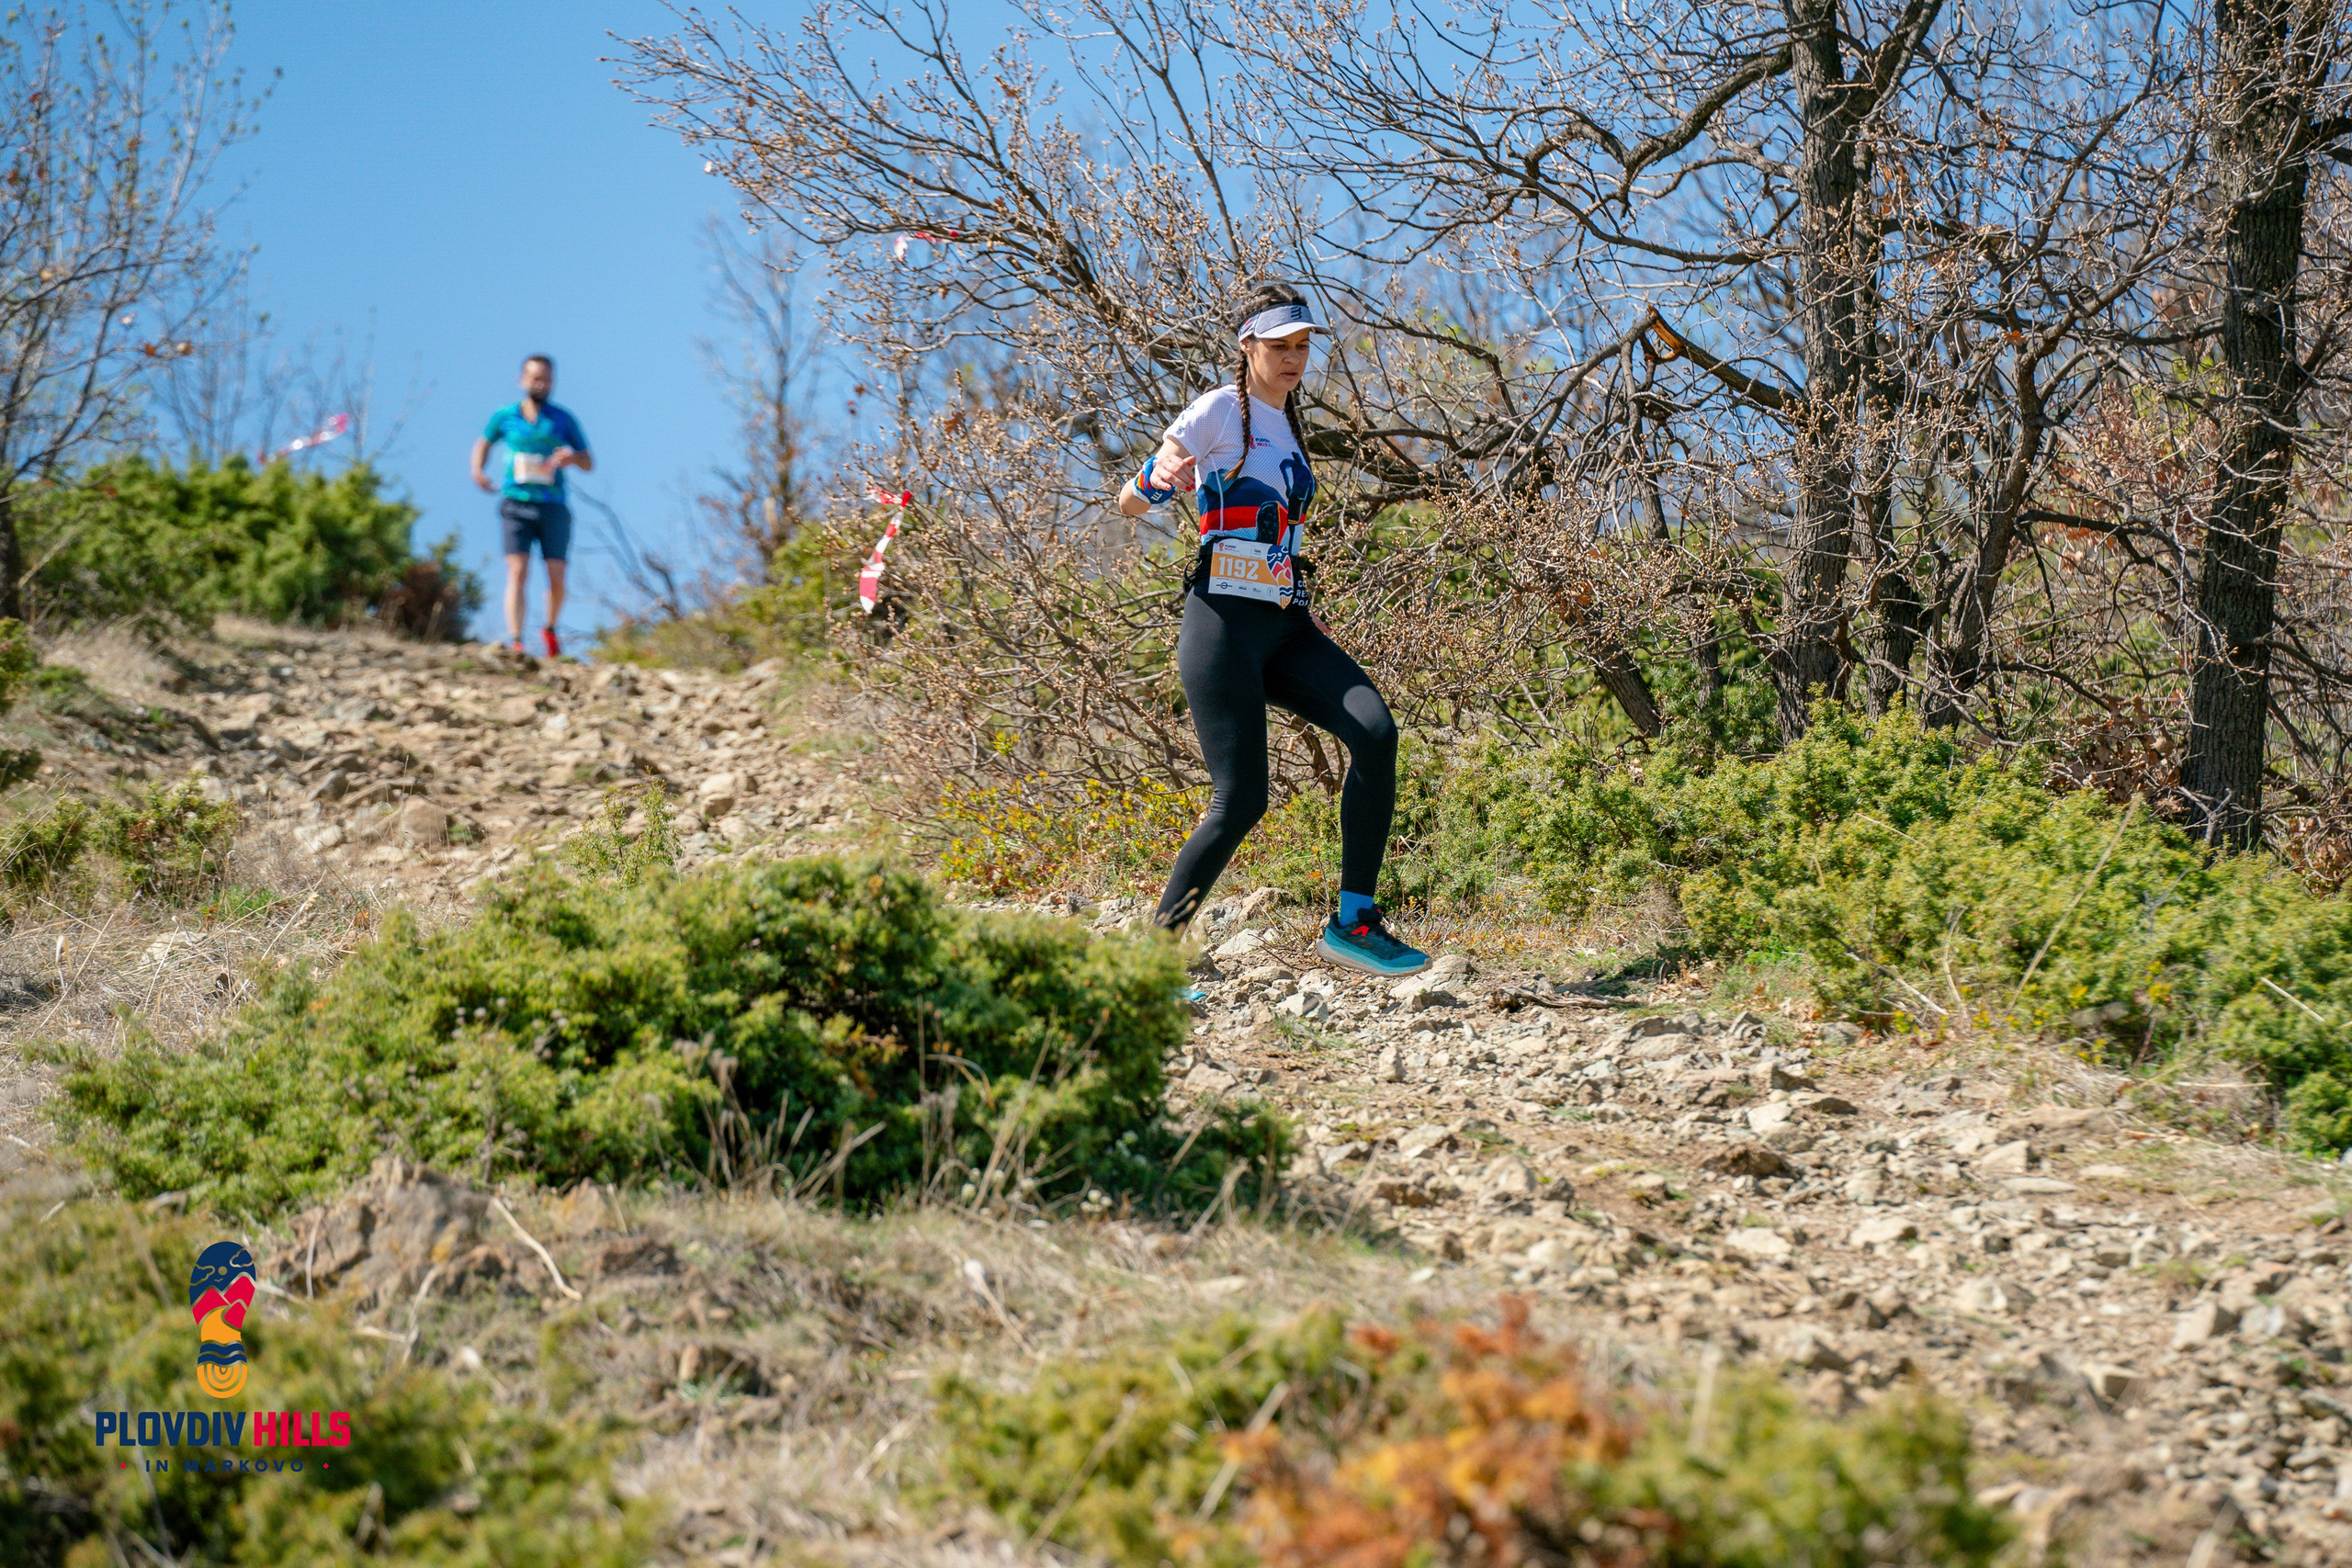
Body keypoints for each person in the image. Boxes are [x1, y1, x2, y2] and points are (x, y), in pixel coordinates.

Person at [1116, 283, 1430, 977]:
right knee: (1243, 798)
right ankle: (1153, 960)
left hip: (1285, 624)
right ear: (1247, 345)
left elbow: (1277, 537)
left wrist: (1300, 598)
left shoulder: (1288, 424)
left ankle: (1353, 922)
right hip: (1221, 624)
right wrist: (1160, 475)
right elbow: (1130, 500)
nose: (1293, 360)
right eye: (1280, 347)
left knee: (1375, 731)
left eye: (1302, 347)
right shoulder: (1220, 408)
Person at [471, 355, 591, 657]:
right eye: (536, 378)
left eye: (547, 379)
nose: (541, 384)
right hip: (516, 502)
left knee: (557, 575)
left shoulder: (563, 419)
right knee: (517, 571)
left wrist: (572, 458)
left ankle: (550, 628)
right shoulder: (505, 416)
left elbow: (588, 460)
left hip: (553, 505)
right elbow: (484, 442)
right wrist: (478, 470)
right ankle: (516, 639)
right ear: (522, 380)